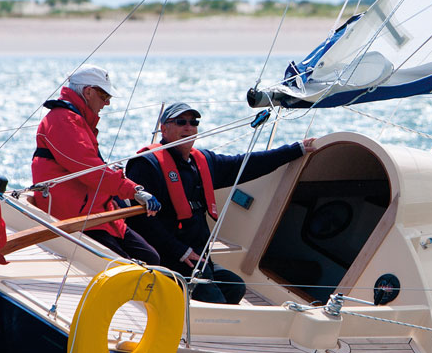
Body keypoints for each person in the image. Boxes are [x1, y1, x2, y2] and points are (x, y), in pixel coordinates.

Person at [126, 102, 315, 304]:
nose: (188, 127)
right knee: (215, 300)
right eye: (181, 122)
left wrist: (296, 150)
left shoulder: (203, 162)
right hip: (169, 257)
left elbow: (246, 164)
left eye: (193, 122)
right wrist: (179, 251)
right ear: (164, 129)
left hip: (199, 257)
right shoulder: (147, 165)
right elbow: (140, 222)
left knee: (235, 287)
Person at [31, 65, 164, 263]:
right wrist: (133, 190)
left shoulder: (78, 120)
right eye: (104, 97)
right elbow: (90, 169)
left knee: (151, 257)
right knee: (131, 266)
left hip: (98, 214)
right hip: (76, 218)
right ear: (88, 91)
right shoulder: (63, 120)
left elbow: (90, 168)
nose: (108, 103)